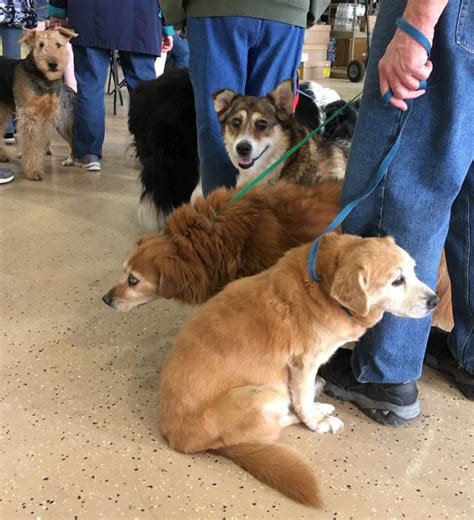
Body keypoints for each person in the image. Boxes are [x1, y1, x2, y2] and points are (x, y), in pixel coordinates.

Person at [319, 0, 473, 426]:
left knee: (405, 185)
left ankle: (386, 373)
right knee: (469, 193)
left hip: (447, 17)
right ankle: (471, 351)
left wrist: (417, 25)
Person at [161, 0, 330, 196]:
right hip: (285, 14)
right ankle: (243, 220)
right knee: (269, 124)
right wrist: (311, 10)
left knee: (221, 127)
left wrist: (174, 11)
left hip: (213, 12)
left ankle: (223, 219)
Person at [48, 0, 174, 171]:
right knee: (144, 90)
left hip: (88, 13)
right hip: (141, 16)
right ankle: (148, 153)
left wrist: (58, 11)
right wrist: (168, 26)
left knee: (89, 86)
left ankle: (88, 154)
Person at [0, 0, 37, 147]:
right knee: (15, 75)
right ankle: (12, 127)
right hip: (14, 12)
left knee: (15, 75)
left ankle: (10, 127)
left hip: (14, 12)